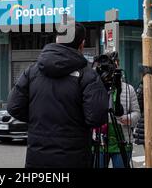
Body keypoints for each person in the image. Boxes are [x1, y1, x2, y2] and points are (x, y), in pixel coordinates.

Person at [7, 22, 109, 168]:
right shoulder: (87, 75)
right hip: (74, 158)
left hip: (37, 159)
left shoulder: (32, 71)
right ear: (82, 44)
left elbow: (13, 106)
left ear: (57, 40)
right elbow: (97, 118)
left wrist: (39, 119)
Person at [95, 53, 140, 168]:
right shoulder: (94, 88)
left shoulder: (128, 89)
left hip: (122, 139)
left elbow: (137, 113)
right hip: (100, 141)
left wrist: (127, 119)